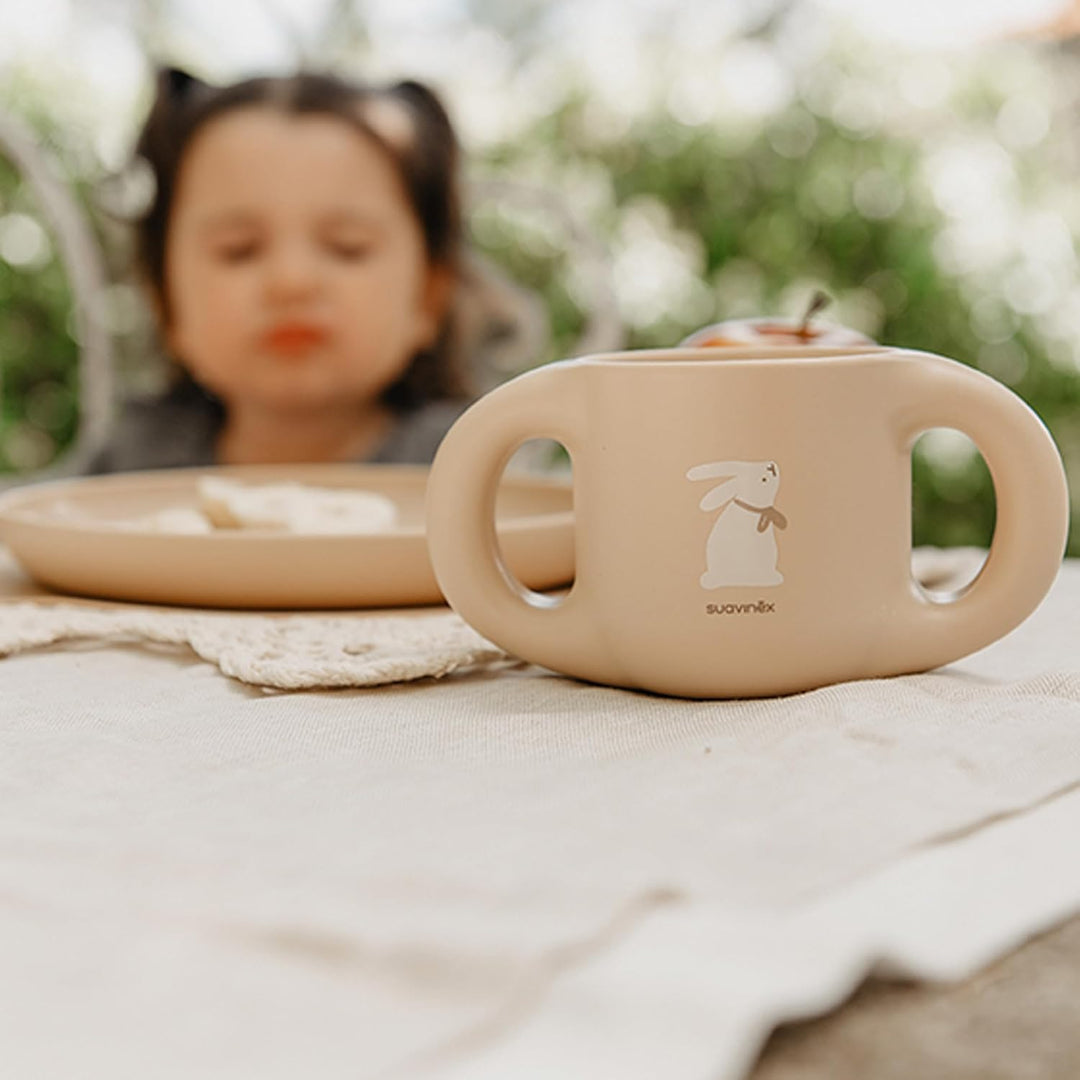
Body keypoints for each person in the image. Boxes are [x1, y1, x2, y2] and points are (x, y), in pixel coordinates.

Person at [90, 67, 484, 472]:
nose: (291, 282)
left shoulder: (478, 470)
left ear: (430, 295)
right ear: (165, 301)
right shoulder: (126, 467)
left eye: (347, 247)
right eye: (238, 250)